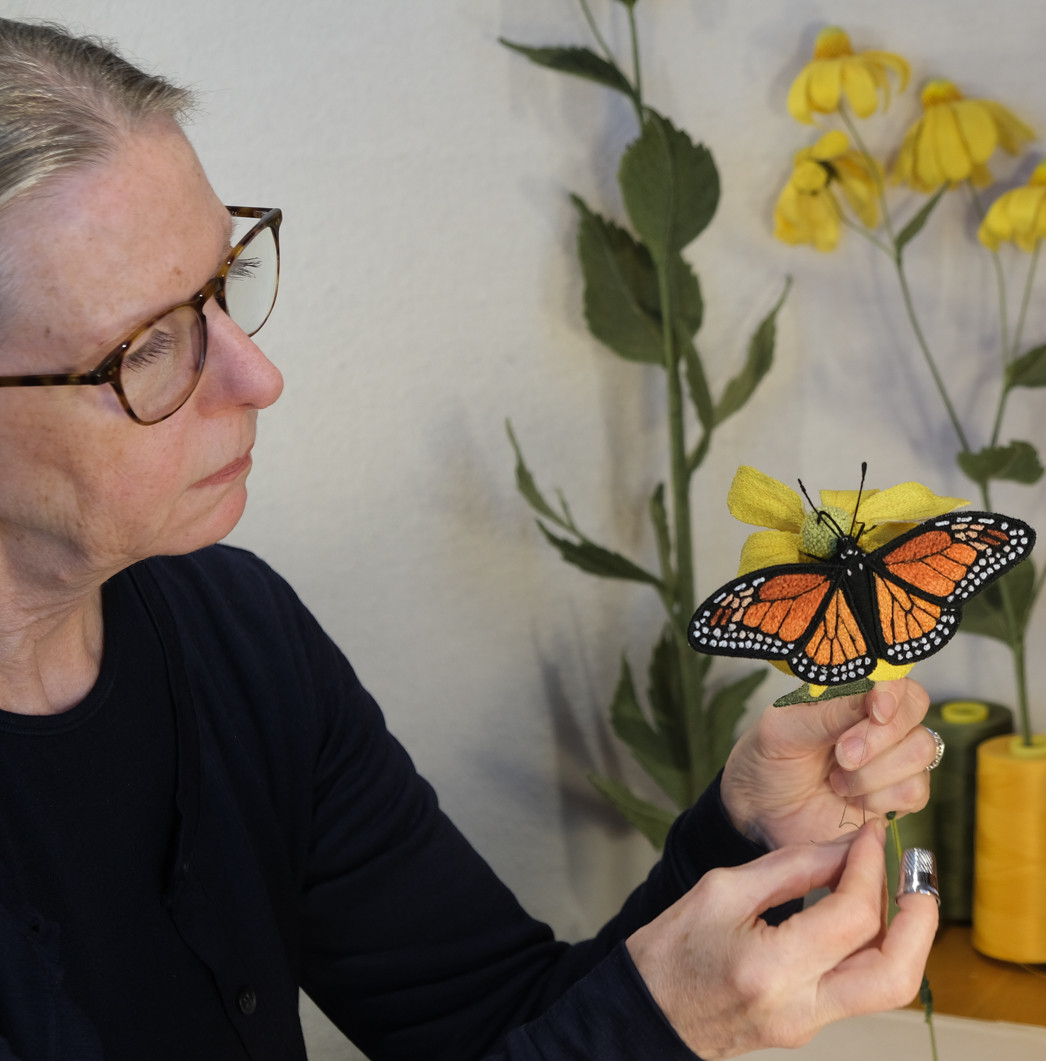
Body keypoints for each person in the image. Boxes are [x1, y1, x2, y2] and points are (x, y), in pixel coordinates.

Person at [0, 18, 941, 1061]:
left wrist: (743, 840)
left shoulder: (239, 634)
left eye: (225, 284)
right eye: (151, 348)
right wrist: (647, 1027)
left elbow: (495, 1024)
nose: (258, 378)